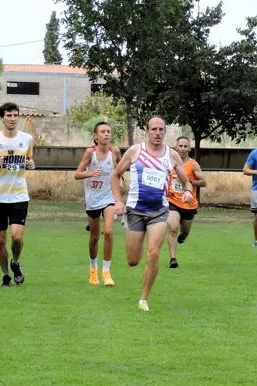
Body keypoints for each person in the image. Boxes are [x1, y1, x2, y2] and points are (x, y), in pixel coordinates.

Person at [112, 116, 195, 311]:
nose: (157, 133)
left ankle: (143, 299)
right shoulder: (135, 151)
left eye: (161, 129)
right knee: (133, 260)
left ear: (165, 132)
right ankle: (140, 257)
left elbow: (186, 181)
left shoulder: (172, 155)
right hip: (134, 210)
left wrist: (189, 192)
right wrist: (117, 200)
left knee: (154, 253)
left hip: (159, 211)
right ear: (147, 131)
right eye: (154, 129)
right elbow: (115, 175)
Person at [0, 102, 36, 286]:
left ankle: (15, 262)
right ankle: (5, 274)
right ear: (2, 118)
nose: (12, 119)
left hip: (19, 195)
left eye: (15, 115)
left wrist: (31, 164)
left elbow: (29, 159)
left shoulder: (26, 139)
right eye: (9, 115)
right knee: (1, 241)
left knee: (17, 237)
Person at [74, 121, 122, 285]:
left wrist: (119, 176)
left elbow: (120, 168)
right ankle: (93, 269)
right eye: (102, 131)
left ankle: (106, 271)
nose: (106, 134)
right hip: (93, 199)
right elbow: (77, 174)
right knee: (94, 237)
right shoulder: (89, 153)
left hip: (109, 198)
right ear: (96, 136)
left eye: (108, 131)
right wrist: (91, 173)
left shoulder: (114, 151)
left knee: (108, 232)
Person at [167, 136, 207, 268]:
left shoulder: (193, 164)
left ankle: (183, 237)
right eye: (180, 146)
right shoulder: (168, 162)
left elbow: (204, 182)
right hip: (172, 200)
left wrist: (189, 182)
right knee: (172, 228)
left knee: (184, 231)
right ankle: (173, 259)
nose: (183, 149)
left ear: (189, 148)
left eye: (185, 146)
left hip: (189, 204)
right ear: (176, 147)